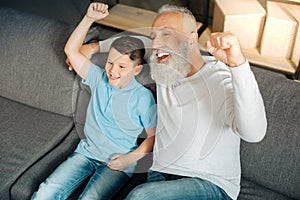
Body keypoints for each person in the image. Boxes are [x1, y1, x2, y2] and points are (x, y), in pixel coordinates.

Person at [123, 4, 267, 200]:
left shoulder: (219, 78)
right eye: (154, 37)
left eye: (167, 34)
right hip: (160, 173)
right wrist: (93, 46)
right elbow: (125, 53)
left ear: (191, 38)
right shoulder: (163, 68)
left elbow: (254, 133)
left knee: (140, 196)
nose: (156, 45)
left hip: (210, 183)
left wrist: (237, 65)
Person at [31, 3, 157, 200]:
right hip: (86, 153)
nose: (113, 71)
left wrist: (129, 159)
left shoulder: (143, 98)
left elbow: (153, 137)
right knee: (45, 192)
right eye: (110, 63)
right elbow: (71, 51)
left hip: (117, 163)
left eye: (122, 66)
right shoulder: (98, 78)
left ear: (137, 69)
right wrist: (89, 18)